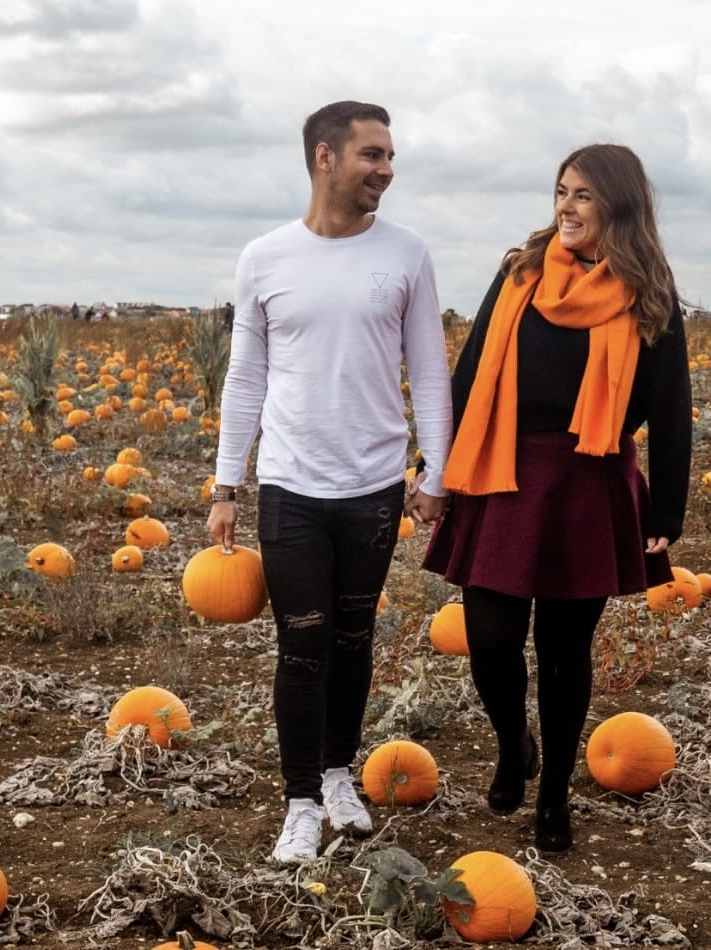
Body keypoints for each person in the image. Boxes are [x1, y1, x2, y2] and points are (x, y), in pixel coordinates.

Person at [422, 143, 692, 855]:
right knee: (489, 643)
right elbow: (471, 372)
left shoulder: (648, 293)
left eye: (582, 196)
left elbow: (671, 408)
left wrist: (667, 511)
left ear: (617, 206)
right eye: (560, 192)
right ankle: (515, 742)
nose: (565, 208)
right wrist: (437, 472)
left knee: (566, 653)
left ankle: (553, 796)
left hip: (588, 480)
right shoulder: (521, 275)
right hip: (503, 471)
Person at [209, 100, 452, 865]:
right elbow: (245, 377)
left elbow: (430, 372)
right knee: (301, 642)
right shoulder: (265, 258)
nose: (386, 169)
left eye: (389, 156)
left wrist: (436, 473)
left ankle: (342, 772)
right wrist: (226, 487)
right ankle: (301, 801)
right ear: (324, 157)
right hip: (290, 487)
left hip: (375, 485)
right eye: (371, 155)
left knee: (354, 637)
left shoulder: (407, 253)